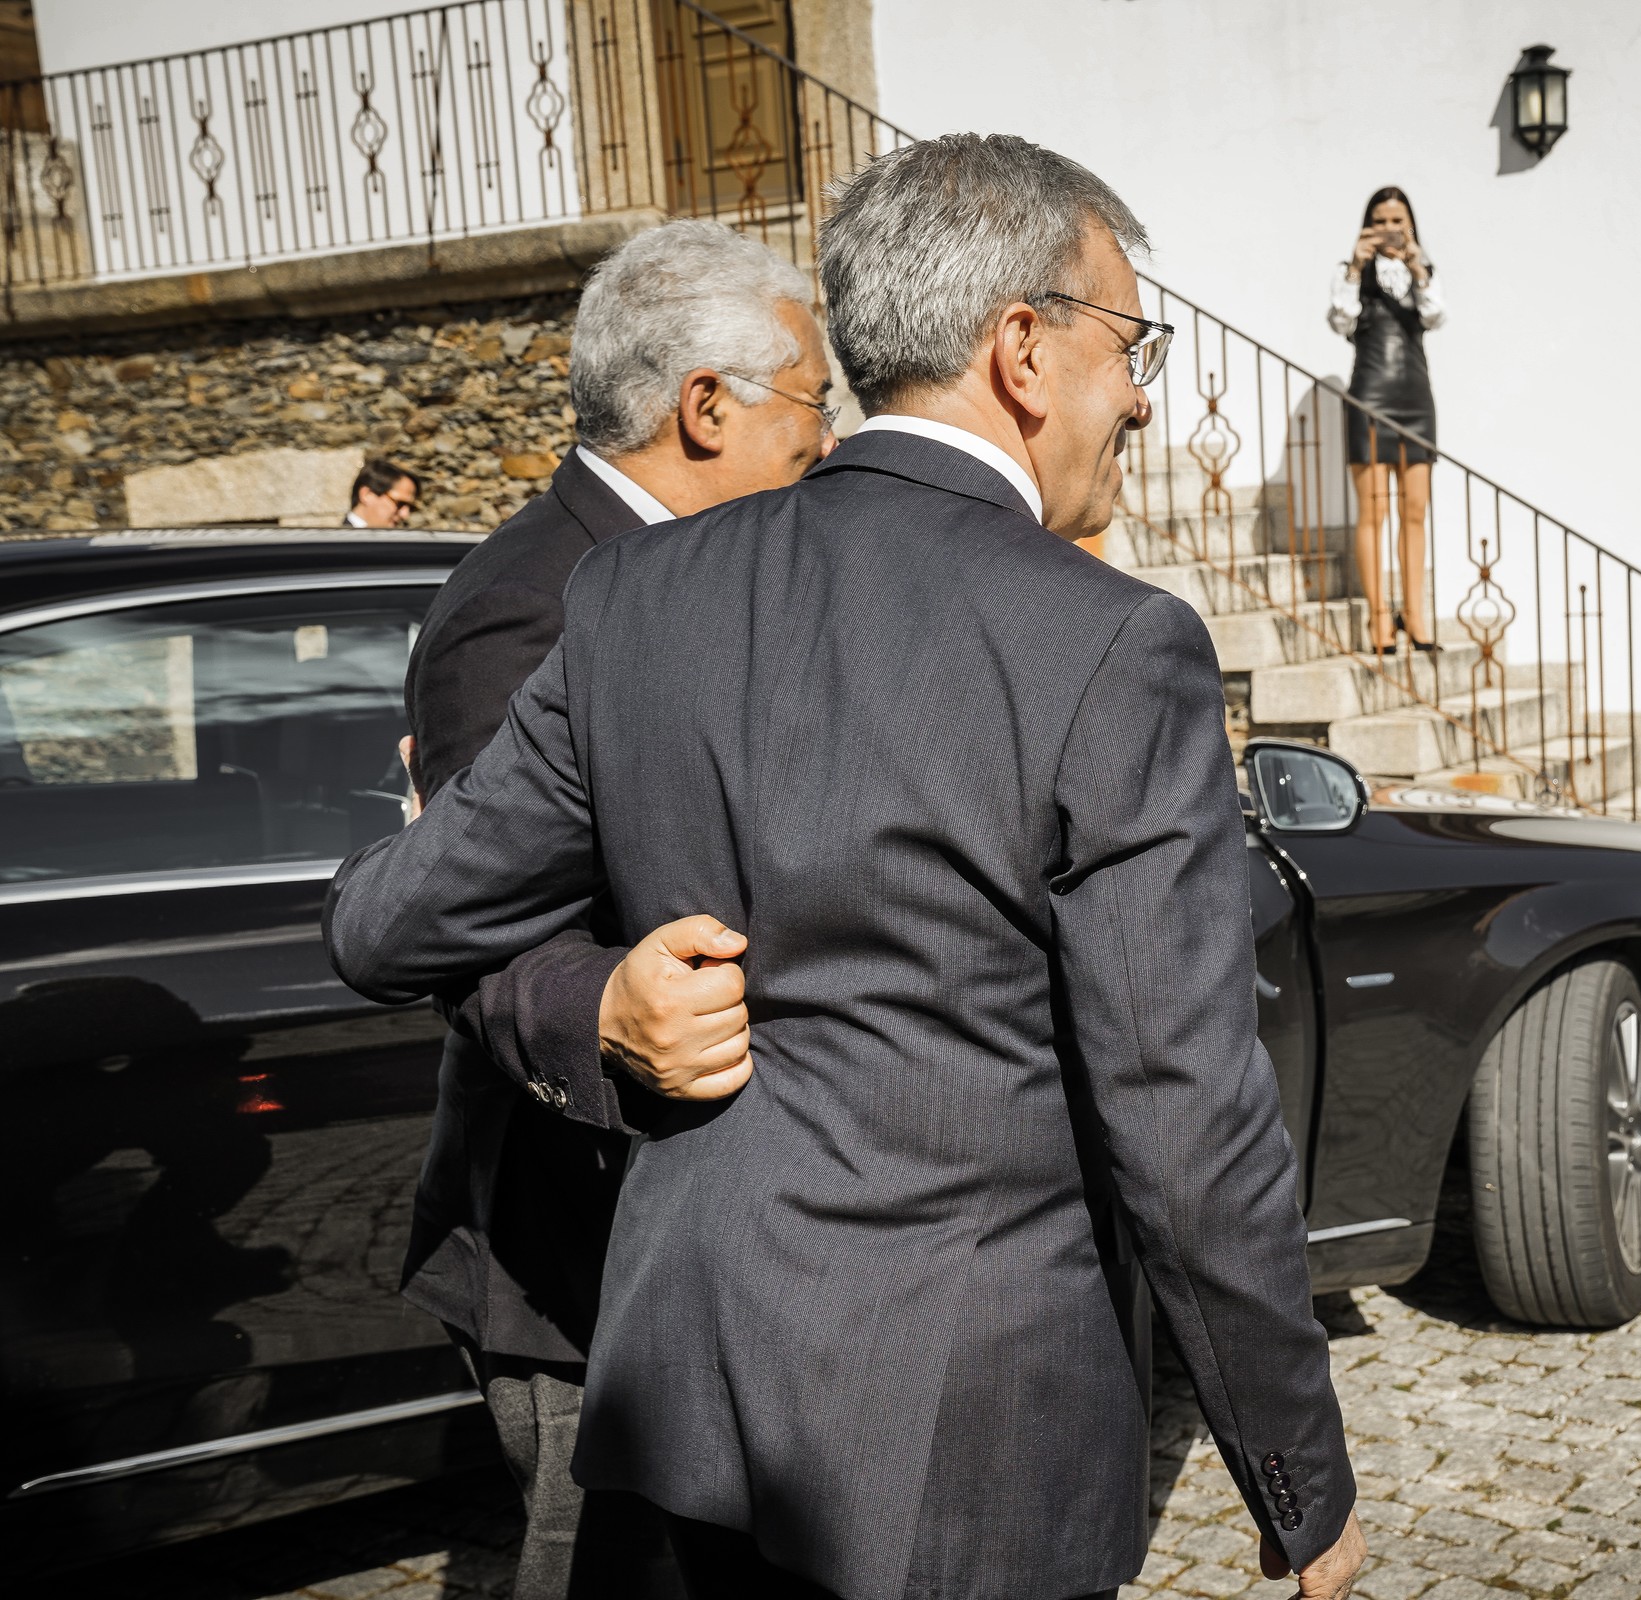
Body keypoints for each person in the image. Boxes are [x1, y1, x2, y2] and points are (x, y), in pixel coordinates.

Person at [327, 133, 1366, 1600]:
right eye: (1129, 345)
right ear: (1023, 349)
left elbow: (380, 928)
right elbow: (1185, 1109)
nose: (1141, 393)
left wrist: (452, 847)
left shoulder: (634, 597)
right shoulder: (1114, 644)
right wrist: (1298, 1477)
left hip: (681, 1387)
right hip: (965, 1444)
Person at [393, 219, 839, 1600]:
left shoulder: (727, 574)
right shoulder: (528, 603)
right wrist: (601, 1007)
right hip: (585, 1271)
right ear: (707, 405)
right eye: (813, 402)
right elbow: (468, 925)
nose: (828, 439)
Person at [1330, 185, 1443, 653]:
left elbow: (1435, 317)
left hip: (1415, 399)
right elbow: (1341, 322)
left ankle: (1415, 615)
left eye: (1398, 221)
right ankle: (1379, 617)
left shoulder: (1424, 272)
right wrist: (1356, 268)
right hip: (1370, 398)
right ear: (1367, 226)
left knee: (1414, 511)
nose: (1390, 229)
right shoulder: (1352, 273)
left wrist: (1417, 267)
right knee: (1373, 511)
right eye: (1380, 221)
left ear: (1410, 225)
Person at [347, 458, 421, 527]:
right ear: (367, 494)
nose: (405, 514)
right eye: (400, 504)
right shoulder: (341, 536)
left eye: (411, 508)